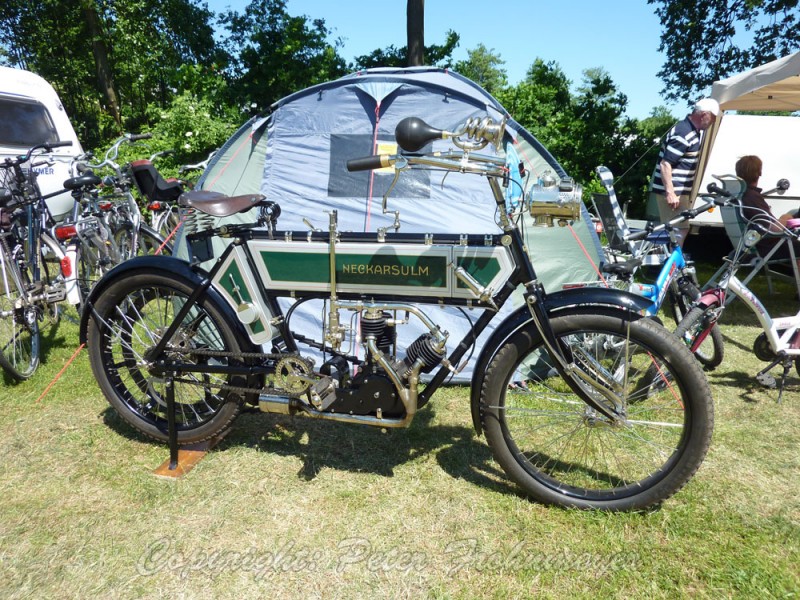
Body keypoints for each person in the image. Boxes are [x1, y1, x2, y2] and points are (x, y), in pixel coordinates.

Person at [648, 98, 719, 247]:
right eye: (712, 117)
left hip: (678, 191)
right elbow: (666, 163)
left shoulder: (691, 131)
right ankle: (670, 266)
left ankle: (670, 264)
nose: (713, 121)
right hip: (674, 193)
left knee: (679, 229)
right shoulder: (684, 133)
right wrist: (670, 193)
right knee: (679, 230)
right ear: (704, 114)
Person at [735, 155, 800, 270]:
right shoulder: (752, 197)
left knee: (793, 213)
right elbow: (775, 229)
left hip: (754, 243)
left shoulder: (740, 195)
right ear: (759, 173)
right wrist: (787, 217)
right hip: (768, 246)